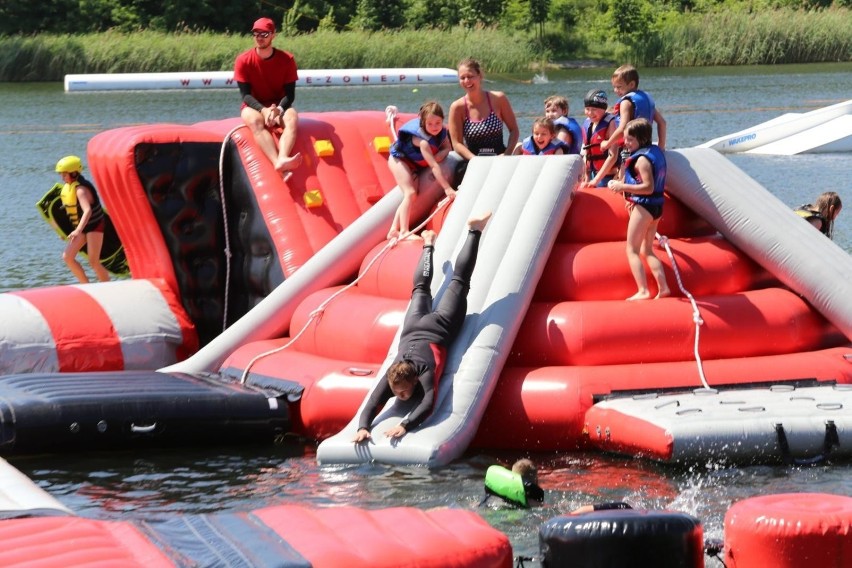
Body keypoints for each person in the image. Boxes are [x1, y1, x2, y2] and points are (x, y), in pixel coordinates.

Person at [353, 212, 492, 443]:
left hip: (440, 326)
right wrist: (363, 427)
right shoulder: (393, 378)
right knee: (421, 288)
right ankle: (429, 244)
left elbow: (429, 403)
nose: (400, 396)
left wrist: (405, 425)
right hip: (414, 326)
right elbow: (372, 403)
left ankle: (472, 231)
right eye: (397, 392)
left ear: (415, 380)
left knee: (458, 281)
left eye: (404, 392)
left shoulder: (424, 372)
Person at [606, 118, 671, 301]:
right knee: (647, 250)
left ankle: (643, 290)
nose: (625, 143)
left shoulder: (641, 160)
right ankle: (663, 287)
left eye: (629, 140)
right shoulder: (655, 151)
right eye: (625, 139)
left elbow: (648, 187)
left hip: (645, 206)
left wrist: (622, 187)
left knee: (632, 249)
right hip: (656, 207)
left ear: (641, 140)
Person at [234, 17, 302, 177]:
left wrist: (278, 109)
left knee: (292, 119)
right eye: (256, 33)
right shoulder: (243, 60)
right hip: (253, 105)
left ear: (273, 35)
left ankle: (283, 156)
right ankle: (277, 162)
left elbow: (290, 95)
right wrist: (263, 111)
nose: (259, 37)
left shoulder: (287, 59)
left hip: (279, 104)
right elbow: (245, 95)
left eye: (264, 33)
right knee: (255, 121)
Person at [386, 101, 457, 240]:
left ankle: (393, 229)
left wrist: (441, 153)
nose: (434, 127)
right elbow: (434, 166)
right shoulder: (422, 141)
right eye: (429, 124)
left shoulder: (442, 133)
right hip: (399, 160)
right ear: (423, 123)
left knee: (412, 195)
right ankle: (404, 232)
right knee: (410, 193)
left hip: (412, 164)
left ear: (443, 120)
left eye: (438, 122)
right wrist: (448, 188)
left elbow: (448, 148)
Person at [55, 155, 110, 283]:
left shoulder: (81, 190)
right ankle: (86, 286)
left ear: (74, 173)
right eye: (61, 174)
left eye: (65, 174)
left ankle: (106, 286)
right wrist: (64, 232)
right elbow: (72, 212)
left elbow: (87, 211)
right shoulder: (69, 188)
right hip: (82, 227)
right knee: (67, 257)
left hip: (95, 225)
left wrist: (78, 231)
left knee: (93, 261)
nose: (62, 177)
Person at [449, 58, 519, 159]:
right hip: (473, 159)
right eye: (462, 78)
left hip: (499, 157)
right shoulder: (457, 107)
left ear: (480, 76)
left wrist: (507, 154)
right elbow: (456, 144)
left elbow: (514, 130)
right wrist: (474, 159)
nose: (466, 81)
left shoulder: (499, 99)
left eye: (470, 76)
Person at [600, 64, 667, 158]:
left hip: (628, 149)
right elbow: (662, 123)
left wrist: (607, 143)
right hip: (646, 148)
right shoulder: (644, 99)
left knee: (623, 171)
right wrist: (661, 147)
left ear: (631, 84)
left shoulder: (626, 103)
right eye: (614, 87)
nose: (615, 90)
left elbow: (622, 128)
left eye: (619, 87)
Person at [580, 89, 619, 188]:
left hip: (608, 176)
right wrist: (587, 177)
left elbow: (613, 156)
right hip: (592, 175)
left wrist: (596, 180)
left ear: (603, 108)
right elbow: (586, 153)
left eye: (594, 109)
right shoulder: (587, 123)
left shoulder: (611, 123)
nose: (590, 113)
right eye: (587, 109)